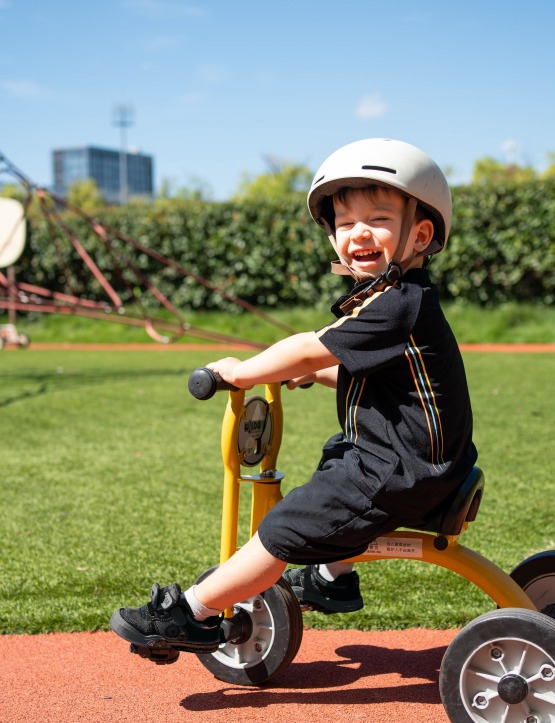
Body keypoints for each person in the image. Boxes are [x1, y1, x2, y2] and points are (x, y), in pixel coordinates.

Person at [109, 138, 477, 655]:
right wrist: (314, 377)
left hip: (402, 472)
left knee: (283, 526)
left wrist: (242, 372)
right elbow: (376, 383)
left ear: (419, 235)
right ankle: (332, 577)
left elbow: (308, 349)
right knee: (338, 454)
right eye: (345, 223)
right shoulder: (400, 301)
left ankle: (190, 613)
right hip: (423, 464)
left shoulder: (396, 305)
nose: (358, 233)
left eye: (378, 219)